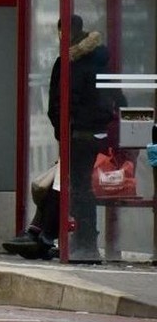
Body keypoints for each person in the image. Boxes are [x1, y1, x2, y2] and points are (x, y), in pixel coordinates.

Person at [44, 15, 116, 263]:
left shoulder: (71, 63)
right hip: (95, 132)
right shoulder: (100, 59)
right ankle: (79, 239)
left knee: (79, 187)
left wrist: (63, 129)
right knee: (81, 186)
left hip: (79, 133)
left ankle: (81, 240)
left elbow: (60, 101)